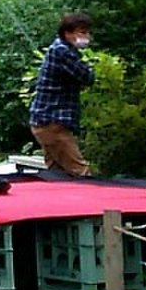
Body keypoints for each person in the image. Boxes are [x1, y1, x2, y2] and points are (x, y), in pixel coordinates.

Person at [28, 11, 96, 176]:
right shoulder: (62, 51)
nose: (87, 37)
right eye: (82, 32)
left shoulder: (62, 49)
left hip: (44, 122)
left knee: (56, 175)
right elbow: (87, 77)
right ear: (67, 33)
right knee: (81, 172)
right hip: (52, 123)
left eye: (88, 32)